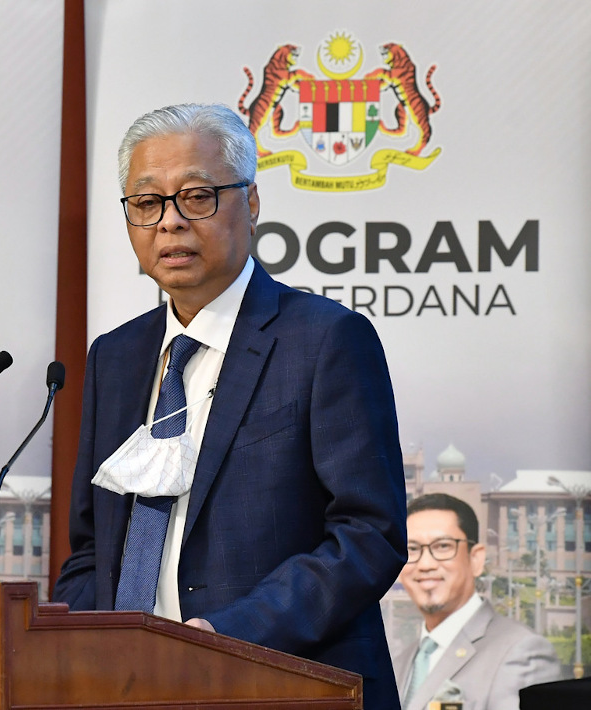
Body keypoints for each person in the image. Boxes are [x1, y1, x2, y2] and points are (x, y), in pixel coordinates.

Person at [53, 103, 407, 708]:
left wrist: (227, 637)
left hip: (283, 684)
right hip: (132, 691)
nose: (170, 223)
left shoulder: (324, 339)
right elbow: (90, 547)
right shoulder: (114, 358)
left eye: (197, 196)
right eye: (147, 203)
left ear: (252, 202)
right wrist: (96, 651)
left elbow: (368, 534)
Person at [395, 493, 561, 710]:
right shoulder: (398, 664)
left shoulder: (522, 653)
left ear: (476, 559)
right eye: (412, 549)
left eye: (443, 546)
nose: (425, 564)